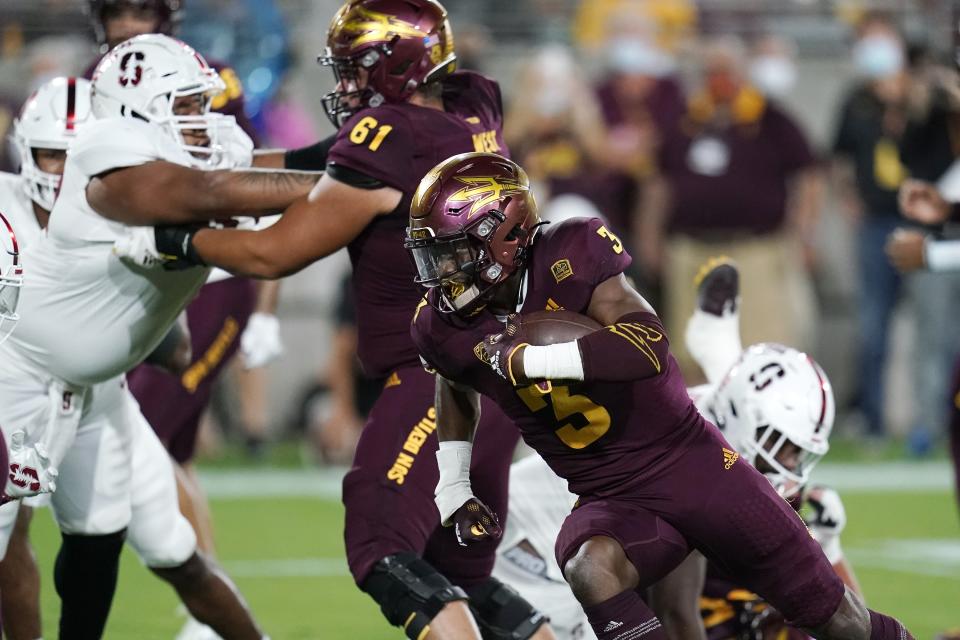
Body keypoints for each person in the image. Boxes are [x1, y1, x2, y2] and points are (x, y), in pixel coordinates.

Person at [120, 2, 554, 638]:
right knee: (458, 576)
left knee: (381, 547)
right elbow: (314, 164)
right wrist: (205, 172)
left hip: (439, 380)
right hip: (500, 373)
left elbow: (274, 253)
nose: (345, 85)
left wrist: (174, 240)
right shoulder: (471, 105)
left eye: (357, 69)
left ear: (399, 64)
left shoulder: (390, 138)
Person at [405, 151, 913, 640]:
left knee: (840, 620)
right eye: (435, 255)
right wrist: (454, 486)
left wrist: (533, 361)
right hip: (610, 493)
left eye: (455, 251)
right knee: (590, 565)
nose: (443, 271)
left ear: (507, 236)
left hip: (692, 466)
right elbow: (454, 380)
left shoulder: (572, 251)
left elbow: (647, 344)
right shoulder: (439, 324)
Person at [0, 36, 316, 639]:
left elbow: (240, 238)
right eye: (49, 157)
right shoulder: (67, 198)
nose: (65, 171)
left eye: (72, 155)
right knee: (11, 530)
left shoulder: (142, 177)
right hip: (18, 383)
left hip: (95, 389)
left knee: (138, 540)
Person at [491, 259, 861, 640]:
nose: (790, 464)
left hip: (572, 542)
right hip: (524, 553)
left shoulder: (717, 416)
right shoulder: (696, 465)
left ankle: (714, 338)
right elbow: (676, 611)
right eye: (782, 447)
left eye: (797, 452)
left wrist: (824, 543)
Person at [650, 35, 820, 384]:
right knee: (690, 346)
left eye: (726, 71)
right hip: (692, 250)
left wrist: (802, 234)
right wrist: (650, 235)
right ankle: (701, 428)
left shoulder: (770, 119)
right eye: (711, 71)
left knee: (761, 343)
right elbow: (659, 182)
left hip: (754, 251)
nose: (719, 79)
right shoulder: (685, 120)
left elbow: (809, 177)